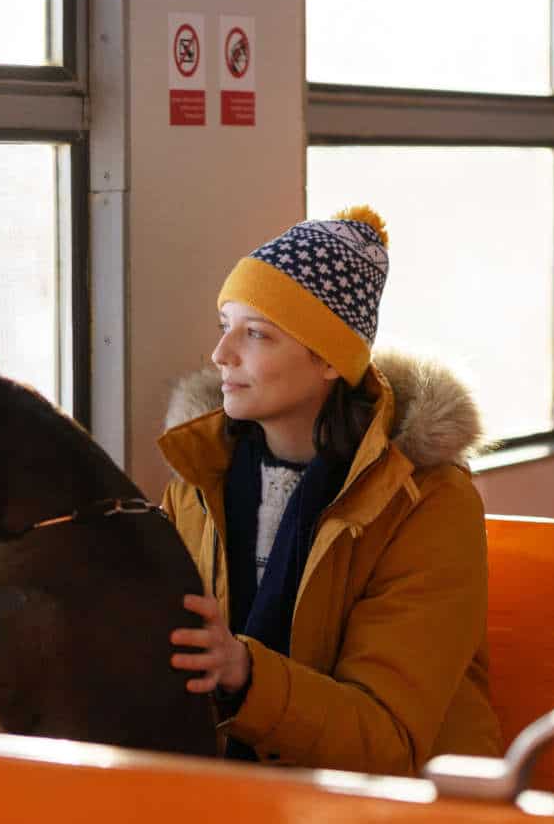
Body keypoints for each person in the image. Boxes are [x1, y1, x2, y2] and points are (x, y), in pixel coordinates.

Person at [158, 206, 502, 775]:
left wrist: (245, 673)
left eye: (257, 334)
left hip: (407, 803)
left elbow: (388, 738)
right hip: (239, 790)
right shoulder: (200, 481)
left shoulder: (429, 503)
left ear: (327, 360)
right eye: (225, 326)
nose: (221, 355)